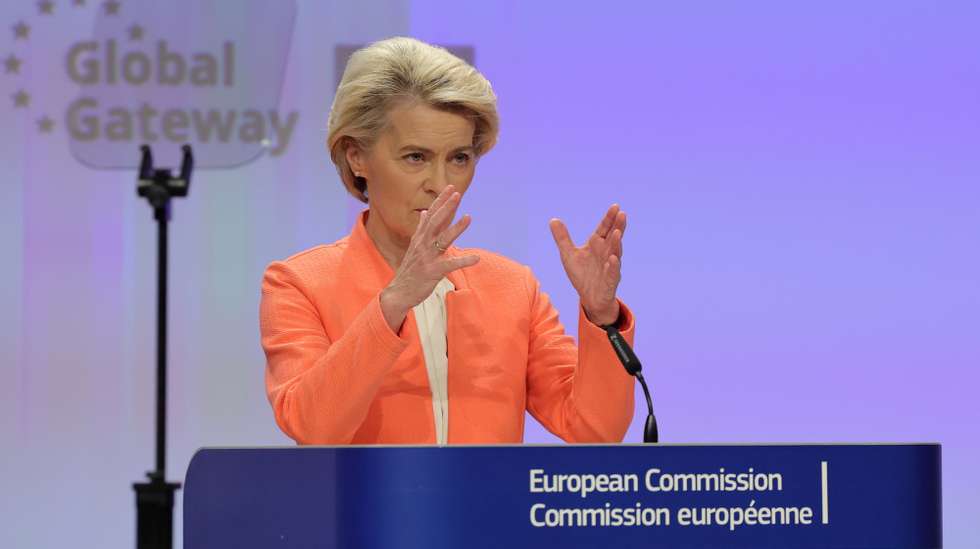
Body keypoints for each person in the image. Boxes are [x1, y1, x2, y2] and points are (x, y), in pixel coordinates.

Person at [259, 37, 635, 445]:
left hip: (485, 510)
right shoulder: (299, 283)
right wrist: (393, 304)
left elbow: (595, 430)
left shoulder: (512, 288)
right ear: (356, 157)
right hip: (367, 510)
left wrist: (602, 318)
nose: (440, 185)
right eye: (415, 157)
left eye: (459, 158)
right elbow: (313, 428)